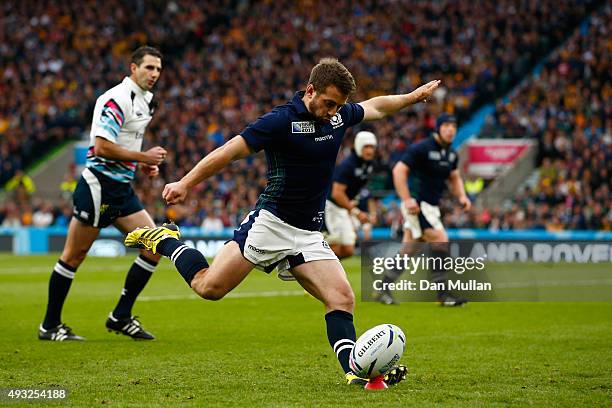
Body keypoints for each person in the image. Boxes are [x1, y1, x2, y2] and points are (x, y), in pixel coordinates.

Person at [125, 58, 439, 385]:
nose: (334, 111)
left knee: (342, 298)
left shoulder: (338, 116)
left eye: (340, 106)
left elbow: (375, 107)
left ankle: (354, 371)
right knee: (209, 287)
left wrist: (412, 97)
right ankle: (165, 240)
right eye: (329, 103)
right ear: (310, 90)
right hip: (270, 224)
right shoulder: (280, 121)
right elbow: (230, 151)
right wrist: (186, 183)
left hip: (307, 233)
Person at [38, 46, 168, 341]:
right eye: (149, 68)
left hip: (122, 189)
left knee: (154, 245)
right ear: (133, 68)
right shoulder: (115, 99)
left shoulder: (147, 100)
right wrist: (144, 158)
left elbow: (127, 141)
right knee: (74, 256)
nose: (155, 74)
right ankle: (49, 325)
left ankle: (120, 316)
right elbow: (101, 147)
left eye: (158, 69)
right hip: (99, 186)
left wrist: (141, 163)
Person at [378, 114, 471, 306]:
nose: (450, 129)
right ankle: (443, 295)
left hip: (432, 208)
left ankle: (383, 289)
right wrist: (406, 199)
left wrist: (462, 196)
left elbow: (454, 177)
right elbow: (399, 171)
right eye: (446, 125)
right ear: (438, 128)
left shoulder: (451, 154)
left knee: (409, 250)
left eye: (453, 126)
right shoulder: (422, 148)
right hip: (417, 206)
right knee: (440, 239)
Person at [323, 131, 377, 259]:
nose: (370, 151)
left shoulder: (368, 165)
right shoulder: (348, 165)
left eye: (372, 147)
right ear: (358, 146)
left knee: (348, 250)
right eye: (366, 147)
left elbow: (358, 187)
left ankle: (327, 270)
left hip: (343, 208)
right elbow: (337, 193)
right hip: (331, 207)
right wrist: (356, 212)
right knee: (334, 247)